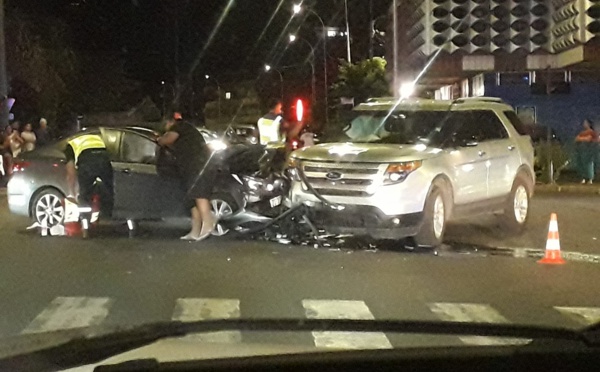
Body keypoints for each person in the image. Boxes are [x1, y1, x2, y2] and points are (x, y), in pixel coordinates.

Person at [157, 112, 216, 241]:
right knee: (192, 200)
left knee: (200, 195)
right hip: (189, 167)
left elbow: (168, 139)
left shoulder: (181, 126)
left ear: (170, 122)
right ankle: (195, 230)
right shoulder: (186, 131)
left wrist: (159, 139)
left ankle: (208, 225)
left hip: (199, 166)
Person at [64, 122, 114, 218]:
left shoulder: (71, 144)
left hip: (87, 163)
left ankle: (84, 217)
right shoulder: (97, 138)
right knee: (108, 189)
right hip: (104, 160)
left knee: (85, 192)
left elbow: (71, 172)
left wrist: (72, 193)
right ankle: (107, 216)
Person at [574, 118, 598, 184]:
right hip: (582, 151)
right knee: (581, 164)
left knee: (589, 164)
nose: (584, 124)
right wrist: (582, 139)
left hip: (589, 151)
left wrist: (581, 139)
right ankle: (583, 178)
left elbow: (589, 139)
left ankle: (590, 178)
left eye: (585, 123)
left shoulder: (592, 132)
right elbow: (576, 139)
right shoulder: (582, 132)